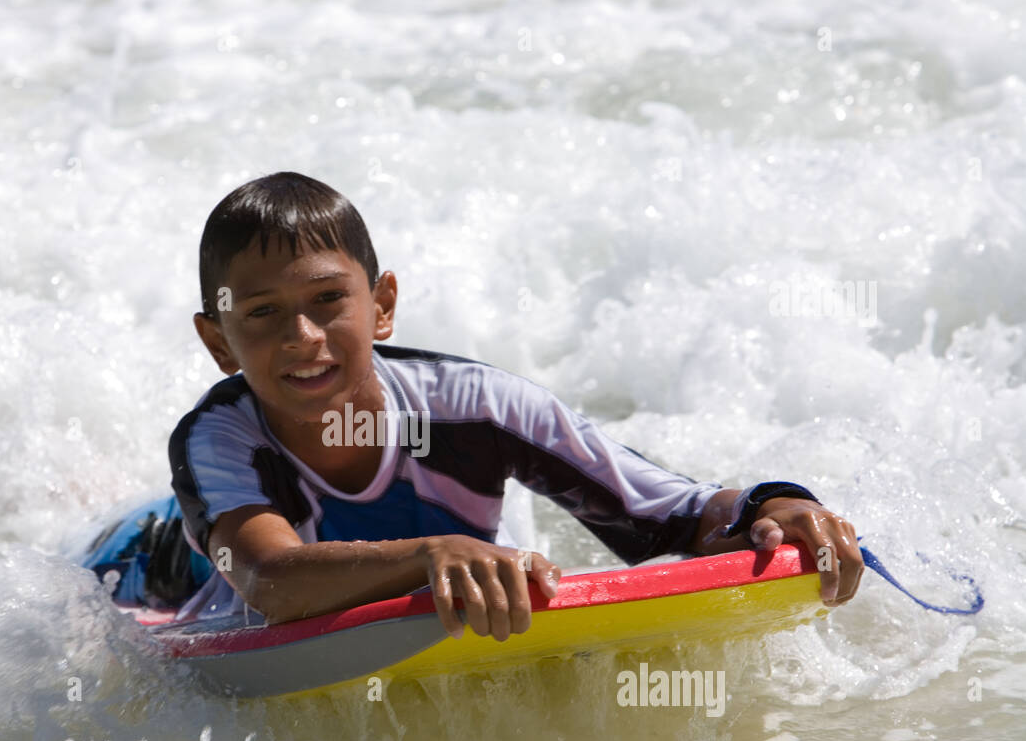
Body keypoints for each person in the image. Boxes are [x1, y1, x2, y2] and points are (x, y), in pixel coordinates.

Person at [97, 171, 863, 637]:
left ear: (383, 304)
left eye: (329, 299)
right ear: (219, 343)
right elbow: (270, 582)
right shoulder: (216, 439)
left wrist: (777, 504)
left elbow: (666, 514)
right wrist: (434, 558)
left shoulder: (477, 408)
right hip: (165, 562)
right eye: (261, 314)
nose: (302, 336)